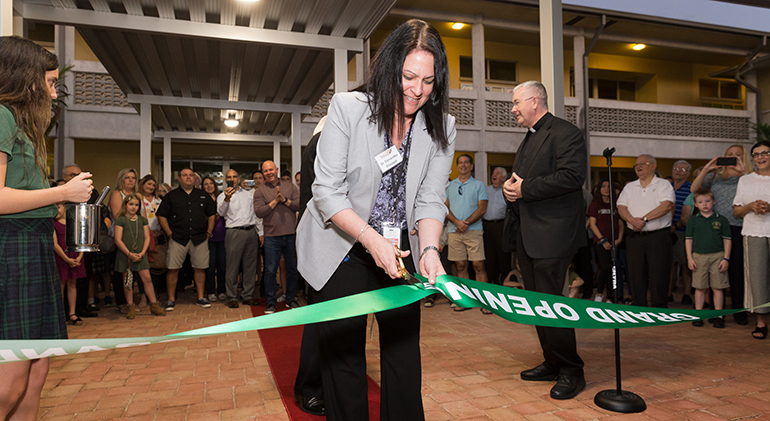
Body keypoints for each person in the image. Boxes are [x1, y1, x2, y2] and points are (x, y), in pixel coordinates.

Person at [296, 19, 454, 420]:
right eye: (408, 76)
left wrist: (431, 249)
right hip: (342, 244)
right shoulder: (349, 109)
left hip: (398, 249)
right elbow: (326, 191)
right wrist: (371, 240)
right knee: (344, 358)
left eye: (429, 81)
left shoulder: (442, 127)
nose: (417, 91)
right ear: (389, 69)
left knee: (403, 356)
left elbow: (431, 198)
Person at [0, 35, 93, 420]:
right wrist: (63, 192)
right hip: (12, 249)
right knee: (10, 381)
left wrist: (56, 196)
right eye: (52, 82)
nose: (55, 93)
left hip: (33, 247)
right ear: (28, 79)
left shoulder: (23, 125)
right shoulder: (2, 115)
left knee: (37, 371)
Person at [503, 80, 587, 400]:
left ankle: (571, 370)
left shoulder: (566, 133)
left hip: (554, 232)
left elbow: (571, 177)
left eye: (516, 103)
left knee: (552, 304)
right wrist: (511, 191)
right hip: (529, 232)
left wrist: (524, 189)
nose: (513, 110)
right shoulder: (529, 138)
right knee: (537, 304)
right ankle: (552, 361)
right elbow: (520, 182)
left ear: (535, 101)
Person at [691, 144, 753, 325]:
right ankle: (716, 311)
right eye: (729, 155)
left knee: (736, 271)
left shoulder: (748, 178)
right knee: (713, 270)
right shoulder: (714, 177)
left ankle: (738, 309)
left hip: (738, 227)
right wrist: (707, 169)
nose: (733, 158)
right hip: (713, 228)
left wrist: (744, 172)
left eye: (738, 155)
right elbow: (694, 190)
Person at [617, 154, 675, 308]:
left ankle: (659, 308)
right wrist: (632, 220)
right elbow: (621, 207)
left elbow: (666, 206)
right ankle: (639, 307)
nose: (638, 167)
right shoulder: (630, 187)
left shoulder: (663, 184)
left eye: (642, 163)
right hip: (634, 237)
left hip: (658, 236)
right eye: (636, 165)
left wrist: (643, 220)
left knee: (659, 273)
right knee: (635, 273)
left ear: (653, 166)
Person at [156, 168, 216, 311]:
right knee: (173, 269)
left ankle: (201, 297)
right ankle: (171, 299)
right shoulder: (171, 196)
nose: (188, 178)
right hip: (178, 238)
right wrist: (169, 233)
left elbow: (212, 214)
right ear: (179, 178)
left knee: (200, 268)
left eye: (191, 175)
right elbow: (162, 215)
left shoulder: (203, 195)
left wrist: (208, 233)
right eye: (185, 175)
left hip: (199, 238)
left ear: (195, 179)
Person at [733, 141, 770, 339]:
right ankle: (761, 322)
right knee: (757, 278)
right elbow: (737, 211)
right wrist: (751, 207)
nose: (760, 157)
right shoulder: (746, 180)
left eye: (765, 153)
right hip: (753, 232)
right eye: (756, 154)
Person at [254, 160, 300, 313]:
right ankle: (271, 302)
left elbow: (299, 205)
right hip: (271, 237)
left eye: (271, 170)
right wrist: (275, 201)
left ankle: (291, 298)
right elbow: (259, 212)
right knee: (270, 271)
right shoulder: (260, 191)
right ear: (263, 173)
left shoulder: (290, 186)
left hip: (290, 235)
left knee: (292, 269)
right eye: (265, 171)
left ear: (277, 169)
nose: (269, 173)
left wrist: (285, 200)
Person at [445, 154, 489, 313]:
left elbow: (482, 208)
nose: (463, 165)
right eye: (460, 163)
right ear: (457, 167)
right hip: (454, 231)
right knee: (460, 265)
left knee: (479, 265)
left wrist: (466, 223)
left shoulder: (479, 185)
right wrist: (457, 223)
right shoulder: (449, 186)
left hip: (474, 231)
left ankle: (484, 303)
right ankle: (466, 301)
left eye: (466, 163)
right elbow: (445, 207)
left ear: (471, 166)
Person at [113, 194, 166, 319]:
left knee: (147, 279)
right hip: (126, 254)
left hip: (140, 254)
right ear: (125, 205)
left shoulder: (142, 220)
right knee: (128, 282)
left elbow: (147, 237)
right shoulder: (120, 220)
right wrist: (129, 254)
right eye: (131, 204)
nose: (133, 207)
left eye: (136, 205)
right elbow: (117, 240)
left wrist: (142, 252)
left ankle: (154, 305)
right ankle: (130, 306)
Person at [685, 189, 731, 328]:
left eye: (707, 201)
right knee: (699, 287)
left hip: (718, 256)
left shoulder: (721, 219)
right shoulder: (693, 220)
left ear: (714, 202)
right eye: (700, 202)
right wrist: (689, 258)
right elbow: (688, 240)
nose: (704, 204)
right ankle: (699, 315)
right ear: (696, 205)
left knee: (718, 287)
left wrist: (726, 258)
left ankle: (718, 316)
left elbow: (727, 240)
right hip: (698, 256)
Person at [218, 169, 261, 308]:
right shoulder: (222, 196)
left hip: (250, 231)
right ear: (226, 180)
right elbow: (220, 213)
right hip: (234, 232)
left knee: (250, 266)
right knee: (232, 267)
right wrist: (227, 199)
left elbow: (255, 214)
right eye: (229, 177)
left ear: (238, 178)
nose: (233, 179)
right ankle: (231, 296)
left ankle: (247, 295)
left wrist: (260, 232)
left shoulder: (249, 194)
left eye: (235, 176)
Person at [587, 178, 624, 302]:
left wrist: (619, 238)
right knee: (605, 267)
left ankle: (610, 296)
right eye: (603, 186)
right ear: (599, 189)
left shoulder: (617, 205)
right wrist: (602, 240)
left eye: (609, 186)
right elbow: (592, 224)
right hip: (600, 242)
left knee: (612, 268)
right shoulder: (594, 205)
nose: (606, 189)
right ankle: (599, 293)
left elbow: (620, 223)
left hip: (615, 242)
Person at [107, 167, 138, 313]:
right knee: (121, 271)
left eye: (133, 178)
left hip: (136, 237)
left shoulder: (137, 195)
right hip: (121, 237)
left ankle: (131, 302)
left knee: (134, 271)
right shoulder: (116, 194)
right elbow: (117, 215)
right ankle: (121, 302)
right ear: (121, 179)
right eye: (127, 177)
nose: (131, 180)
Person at [53, 202, 85, 325]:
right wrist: (67, 259)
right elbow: (55, 244)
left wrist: (80, 256)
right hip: (61, 257)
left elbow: (81, 241)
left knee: (72, 284)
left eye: (58, 207)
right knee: (61, 285)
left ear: (66, 208)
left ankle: (72, 313)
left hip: (75, 256)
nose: (56, 210)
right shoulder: (53, 224)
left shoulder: (74, 222)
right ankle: (61, 313)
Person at [670, 160, 693, 304]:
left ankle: (687, 294)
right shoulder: (665, 186)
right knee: (670, 264)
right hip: (665, 231)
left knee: (685, 264)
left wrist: (677, 225)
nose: (678, 171)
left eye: (683, 169)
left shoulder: (691, 189)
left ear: (689, 173)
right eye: (676, 168)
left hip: (683, 231)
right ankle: (667, 292)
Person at [483, 167, 511, 286]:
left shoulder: (507, 190)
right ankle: (490, 285)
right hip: (487, 227)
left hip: (501, 226)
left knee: (503, 258)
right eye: (493, 173)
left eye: (498, 173)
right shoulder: (486, 190)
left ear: (504, 178)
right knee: (489, 258)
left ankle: (504, 285)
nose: (494, 175)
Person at [202, 176, 227, 303]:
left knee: (222, 265)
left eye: (211, 183)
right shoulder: (200, 200)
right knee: (210, 266)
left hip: (222, 237)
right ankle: (211, 291)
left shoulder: (221, 197)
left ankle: (222, 290)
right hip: (208, 239)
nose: (209, 186)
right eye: (205, 184)